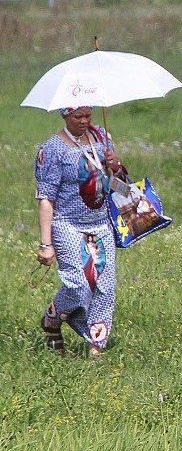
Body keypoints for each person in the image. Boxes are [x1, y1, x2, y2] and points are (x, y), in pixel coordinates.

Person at [35, 106, 124, 357]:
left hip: (101, 223)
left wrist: (114, 164)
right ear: (65, 117)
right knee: (78, 285)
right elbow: (45, 198)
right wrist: (45, 243)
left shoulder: (101, 137)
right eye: (78, 117)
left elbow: (114, 182)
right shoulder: (52, 149)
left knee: (105, 287)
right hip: (68, 225)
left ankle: (96, 348)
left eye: (88, 116)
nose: (85, 121)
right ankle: (53, 318)